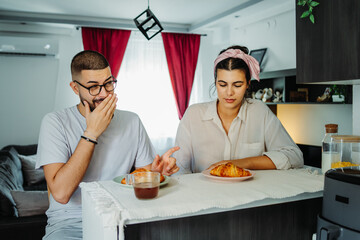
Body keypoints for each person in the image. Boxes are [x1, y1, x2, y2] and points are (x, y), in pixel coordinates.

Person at [35, 50, 179, 240]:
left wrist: (156, 174)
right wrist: (91, 133)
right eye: (93, 87)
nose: (104, 94)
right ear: (75, 88)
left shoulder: (132, 121)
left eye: (108, 83)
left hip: (123, 220)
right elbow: (61, 194)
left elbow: (142, 178)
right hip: (70, 226)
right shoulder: (55, 122)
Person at [173, 45, 303, 173]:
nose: (229, 92)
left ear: (247, 84)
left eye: (237, 85)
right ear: (215, 82)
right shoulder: (193, 115)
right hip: (205, 193)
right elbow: (179, 169)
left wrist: (241, 163)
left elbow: (295, 157)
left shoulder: (259, 111)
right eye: (222, 84)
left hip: (251, 193)